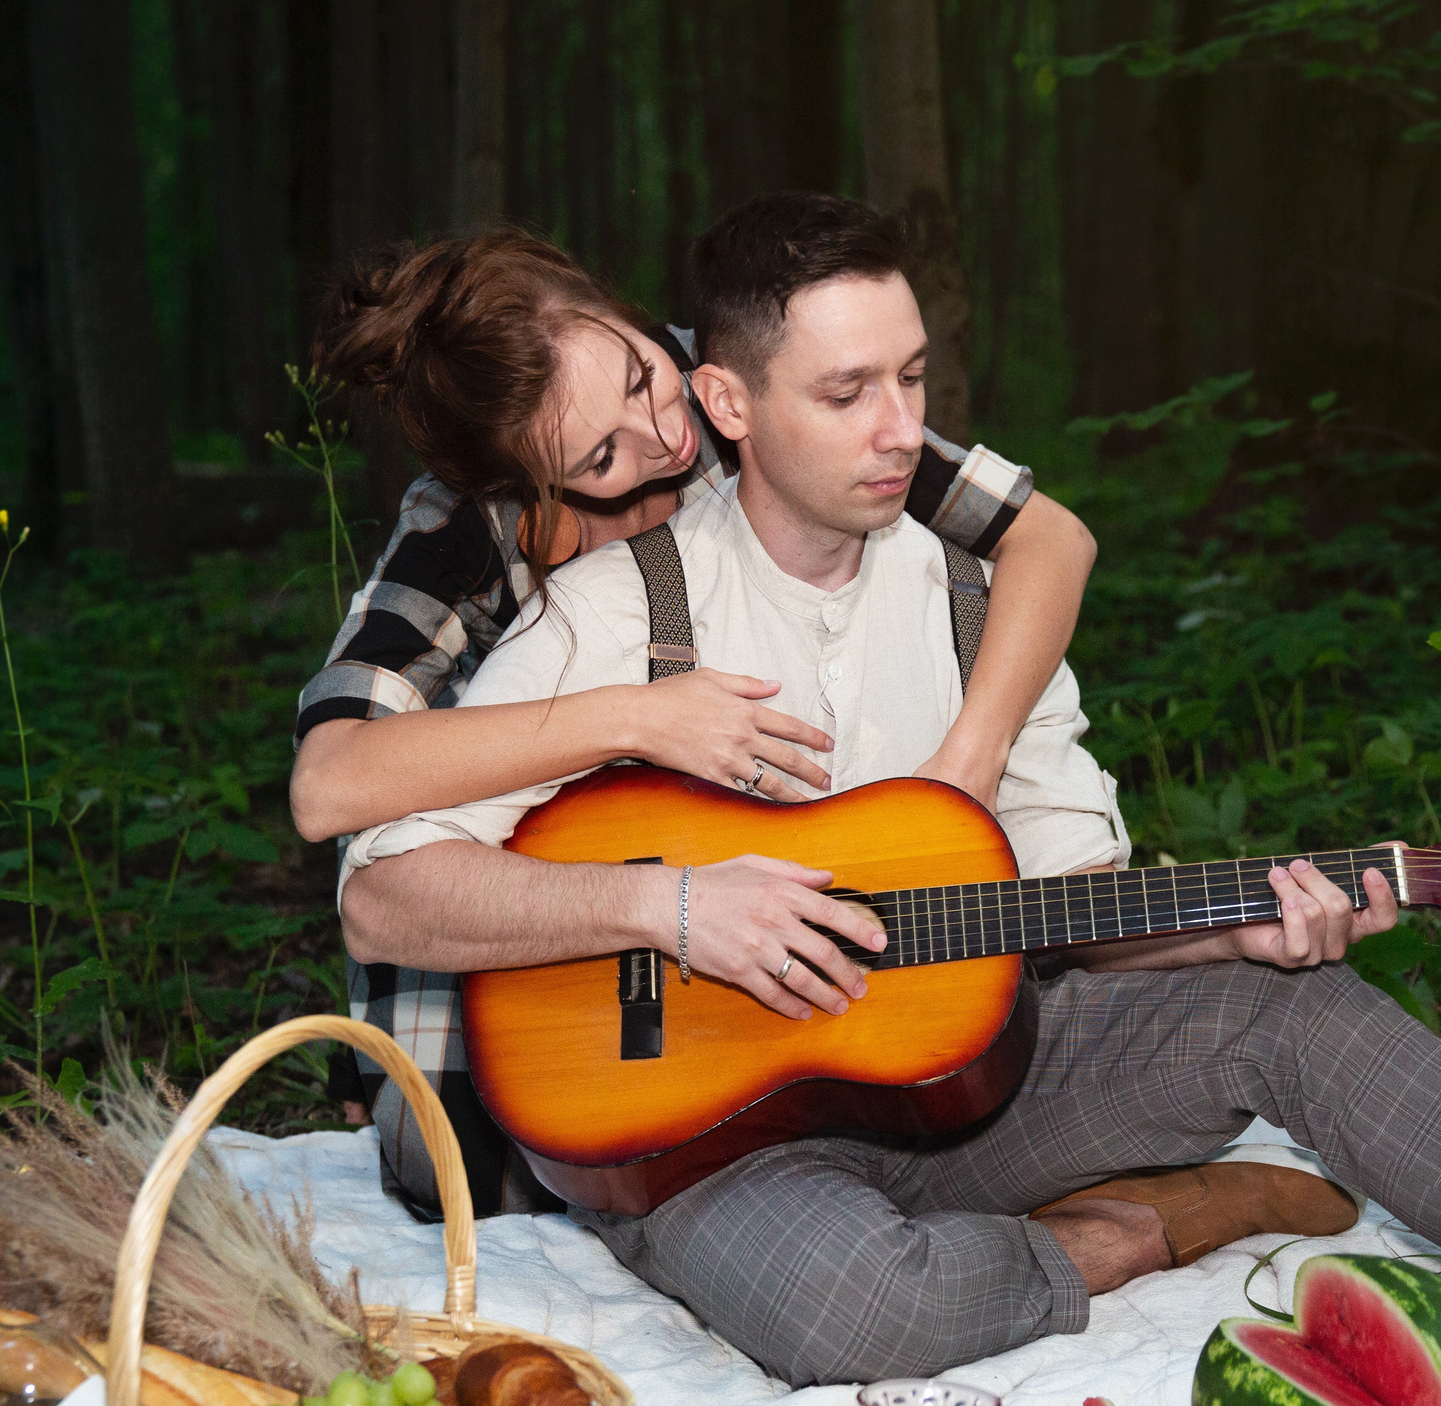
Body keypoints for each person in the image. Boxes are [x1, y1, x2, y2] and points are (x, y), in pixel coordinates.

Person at [336, 192, 1441, 1406]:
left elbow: (1065, 899)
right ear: (725, 407)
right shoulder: (611, 617)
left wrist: (1225, 927)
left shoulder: (974, 586)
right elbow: (395, 884)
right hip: (702, 1131)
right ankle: (1157, 1216)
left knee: (1275, 998)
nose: (900, 432)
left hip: (963, 1073)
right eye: (846, 391)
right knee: (865, 1315)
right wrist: (676, 905)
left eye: (914, 379)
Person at [295, 231, 1099, 1213]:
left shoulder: (734, 384)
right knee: (471, 1179)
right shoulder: (460, 526)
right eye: (598, 455)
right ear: (517, 478)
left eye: (639, 378)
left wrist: (970, 758)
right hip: (508, 874)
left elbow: (1050, 538)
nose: (662, 438)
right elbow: (329, 785)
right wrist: (634, 717)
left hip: (732, 860)